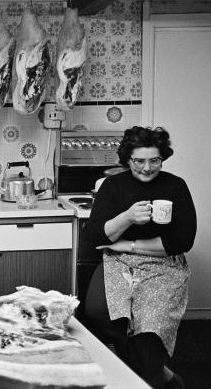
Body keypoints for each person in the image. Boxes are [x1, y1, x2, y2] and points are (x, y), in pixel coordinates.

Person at [84, 126, 196, 389]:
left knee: (149, 326)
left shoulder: (176, 186)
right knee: (100, 311)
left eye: (154, 160)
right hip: (119, 262)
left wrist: (127, 244)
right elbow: (96, 236)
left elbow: (181, 241)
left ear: (163, 158)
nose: (147, 168)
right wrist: (127, 217)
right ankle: (157, 376)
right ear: (127, 160)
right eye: (139, 161)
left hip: (163, 265)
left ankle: (151, 375)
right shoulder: (113, 186)